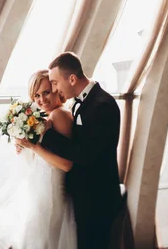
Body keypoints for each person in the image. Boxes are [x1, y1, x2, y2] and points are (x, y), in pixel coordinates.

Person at [0, 69, 77, 249]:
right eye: (36, 95)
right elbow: (42, 157)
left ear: (56, 89)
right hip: (40, 192)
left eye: (46, 92)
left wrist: (33, 147)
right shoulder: (48, 117)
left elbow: (66, 164)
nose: (41, 99)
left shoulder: (59, 115)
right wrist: (25, 147)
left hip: (50, 194)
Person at [41, 51, 122, 249]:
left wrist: (45, 135)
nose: (54, 88)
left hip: (97, 199)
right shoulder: (83, 102)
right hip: (87, 196)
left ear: (71, 78)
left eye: (55, 82)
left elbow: (84, 154)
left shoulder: (102, 105)